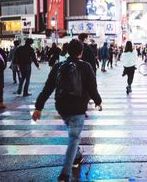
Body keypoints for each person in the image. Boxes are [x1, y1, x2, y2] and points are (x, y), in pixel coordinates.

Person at [32, 39, 103, 182]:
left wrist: (38, 107)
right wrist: (98, 101)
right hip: (78, 107)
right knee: (74, 138)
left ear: (67, 51)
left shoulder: (59, 66)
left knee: (73, 135)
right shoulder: (86, 66)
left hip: (62, 107)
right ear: (81, 52)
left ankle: (76, 154)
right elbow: (92, 88)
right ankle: (64, 174)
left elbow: (48, 88)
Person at [0, 44, 7, 110]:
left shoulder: (0, 51)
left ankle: (0, 103)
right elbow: (4, 61)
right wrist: (2, 69)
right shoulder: (0, 50)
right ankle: (0, 103)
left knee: (0, 88)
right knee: (0, 88)